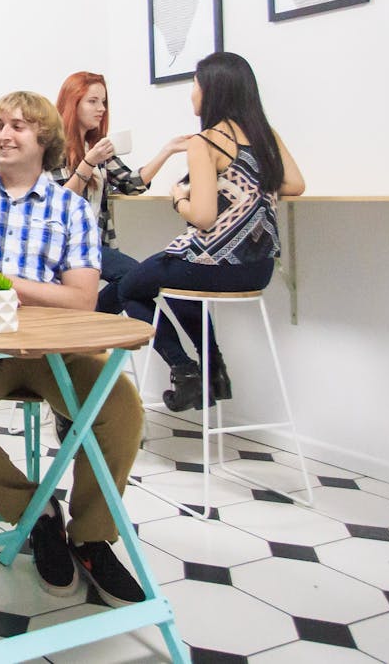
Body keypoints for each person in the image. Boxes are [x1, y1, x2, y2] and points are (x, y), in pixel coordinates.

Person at [0, 90, 147, 607]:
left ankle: (91, 536)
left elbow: (82, 300)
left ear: (44, 138)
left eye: (18, 125)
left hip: (52, 353)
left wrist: (4, 283)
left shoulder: (71, 208)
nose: (4, 133)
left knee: (121, 410)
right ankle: (37, 513)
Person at [115, 52, 305, 412]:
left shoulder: (206, 142)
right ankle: (214, 371)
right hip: (258, 269)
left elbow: (202, 217)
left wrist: (177, 198)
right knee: (171, 283)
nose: (192, 93)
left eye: (195, 84)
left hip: (212, 266)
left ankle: (187, 372)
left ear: (213, 91)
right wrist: (249, 184)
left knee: (129, 289)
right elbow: (295, 184)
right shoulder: (266, 135)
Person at [50, 71, 187, 314]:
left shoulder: (98, 147)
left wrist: (167, 151)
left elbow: (132, 184)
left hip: (97, 244)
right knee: (135, 277)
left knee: (135, 285)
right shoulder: (53, 148)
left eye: (103, 102)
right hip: (67, 245)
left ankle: (91, 321)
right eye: (93, 101)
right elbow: (62, 202)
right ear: (73, 103)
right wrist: (88, 163)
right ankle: (95, 321)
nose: (101, 108)